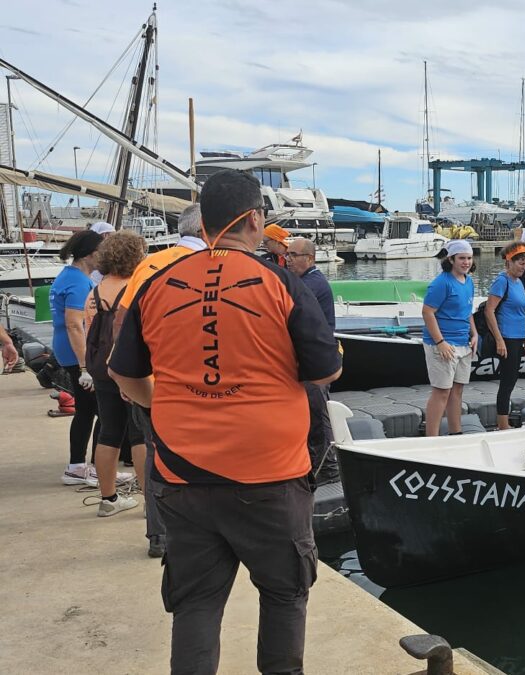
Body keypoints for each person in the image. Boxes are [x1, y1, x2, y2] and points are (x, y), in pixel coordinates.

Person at [109, 169, 341, 673]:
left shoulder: (158, 283)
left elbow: (123, 375)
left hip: (182, 475)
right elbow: (327, 369)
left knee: (195, 604)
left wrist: (164, 405)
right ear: (255, 219)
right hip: (270, 475)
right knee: (283, 595)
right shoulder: (280, 281)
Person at [115, 203, 208, 558]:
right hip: (197, 384)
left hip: (152, 385)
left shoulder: (148, 265)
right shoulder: (213, 264)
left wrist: (130, 378)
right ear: (205, 230)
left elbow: (121, 325)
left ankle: (160, 535)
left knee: (157, 457)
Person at [85, 230, 147, 516]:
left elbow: (89, 332)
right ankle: (152, 505)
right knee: (140, 435)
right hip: (128, 367)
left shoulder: (93, 294)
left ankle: (107, 499)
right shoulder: (137, 287)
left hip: (100, 369)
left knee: (109, 431)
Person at [52, 230, 105, 487]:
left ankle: (76, 467)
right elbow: (75, 324)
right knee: (104, 411)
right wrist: (86, 367)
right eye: (102, 251)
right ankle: (98, 469)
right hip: (78, 354)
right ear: (91, 254)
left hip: (67, 350)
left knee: (84, 411)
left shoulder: (68, 276)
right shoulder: (77, 283)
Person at [286, 237, 337, 484]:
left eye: (294, 255)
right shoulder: (303, 282)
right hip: (307, 359)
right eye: (288, 254)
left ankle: (328, 468)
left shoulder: (312, 284)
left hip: (315, 360)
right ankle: (317, 464)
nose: (288, 259)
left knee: (317, 415)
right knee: (310, 413)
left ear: (310, 258)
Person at [422, 240, 478, 436]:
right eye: (462, 258)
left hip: (464, 343)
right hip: (442, 344)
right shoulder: (441, 283)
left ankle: (456, 433)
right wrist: (440, 342)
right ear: (451, 259)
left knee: (457, 391)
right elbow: (428, 312)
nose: (466, 262)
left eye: (469, 258)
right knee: (442, 391)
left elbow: (467, 311)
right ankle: (432, 438)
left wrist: (475, 333)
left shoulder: (469, 281)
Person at [485, 242, 525, 430]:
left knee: (512, 379)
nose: (524, 267)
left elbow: (520, 314)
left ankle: (503, 422)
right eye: (521, 263)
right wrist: (499, 340)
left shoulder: (519, 282)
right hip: (506, 338)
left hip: (517, 338)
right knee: (507, 380)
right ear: (509, 263)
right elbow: (490, 311)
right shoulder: (502, 281)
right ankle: (502, 424)